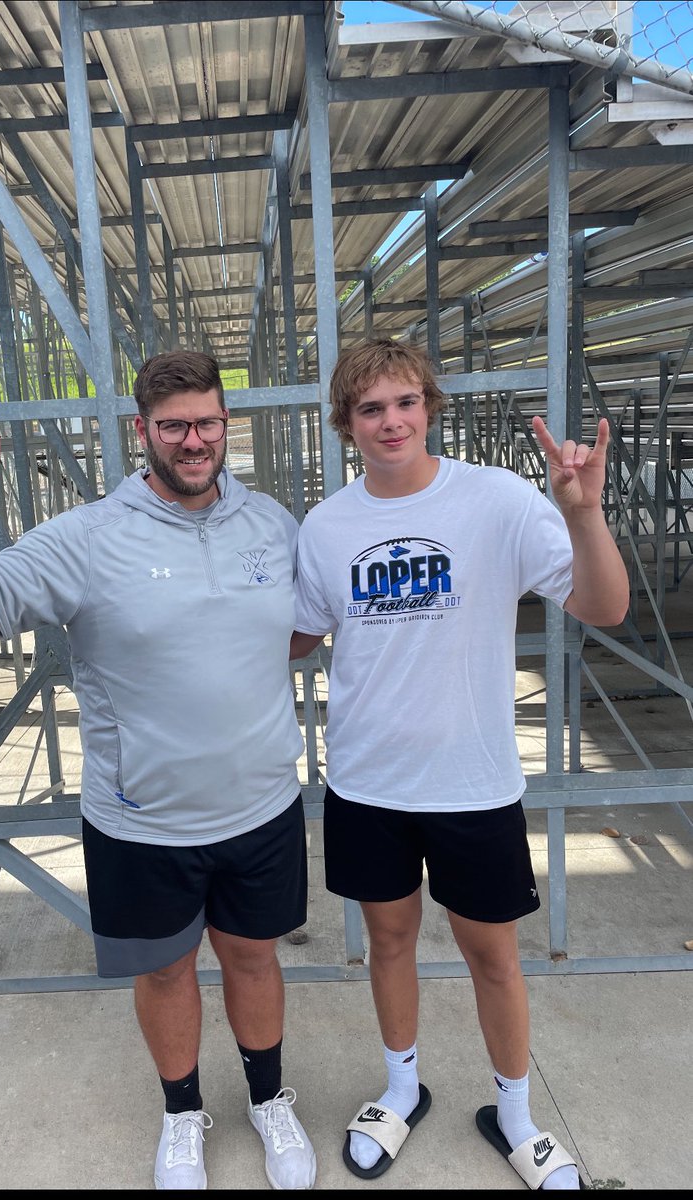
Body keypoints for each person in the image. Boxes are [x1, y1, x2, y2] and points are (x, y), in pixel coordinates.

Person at [0, 349, 317, 1192]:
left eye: (207, 422)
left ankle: (268, 1100)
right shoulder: (89, 536)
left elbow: (301, 626)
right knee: (166, 970)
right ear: (142, 431)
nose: (193, 440)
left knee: (254, 959)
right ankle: (183, 1114)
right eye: (173, 425)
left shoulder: (271, 524)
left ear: (226, 424)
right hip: (141, 820)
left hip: (259, 808)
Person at [290, 338, 629, 1191]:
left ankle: (515, 1115)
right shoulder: (329, 526)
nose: (391, 421)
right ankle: (401, 1089)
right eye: (371, 408)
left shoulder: (497, 500)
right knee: (390, 941)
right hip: (367, 781)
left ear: (429, 407)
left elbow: (606, 606)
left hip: (472, 781)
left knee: (492, 954)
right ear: (347, 425)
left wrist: (585, 514)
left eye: (405, 402)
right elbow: (296, 632)